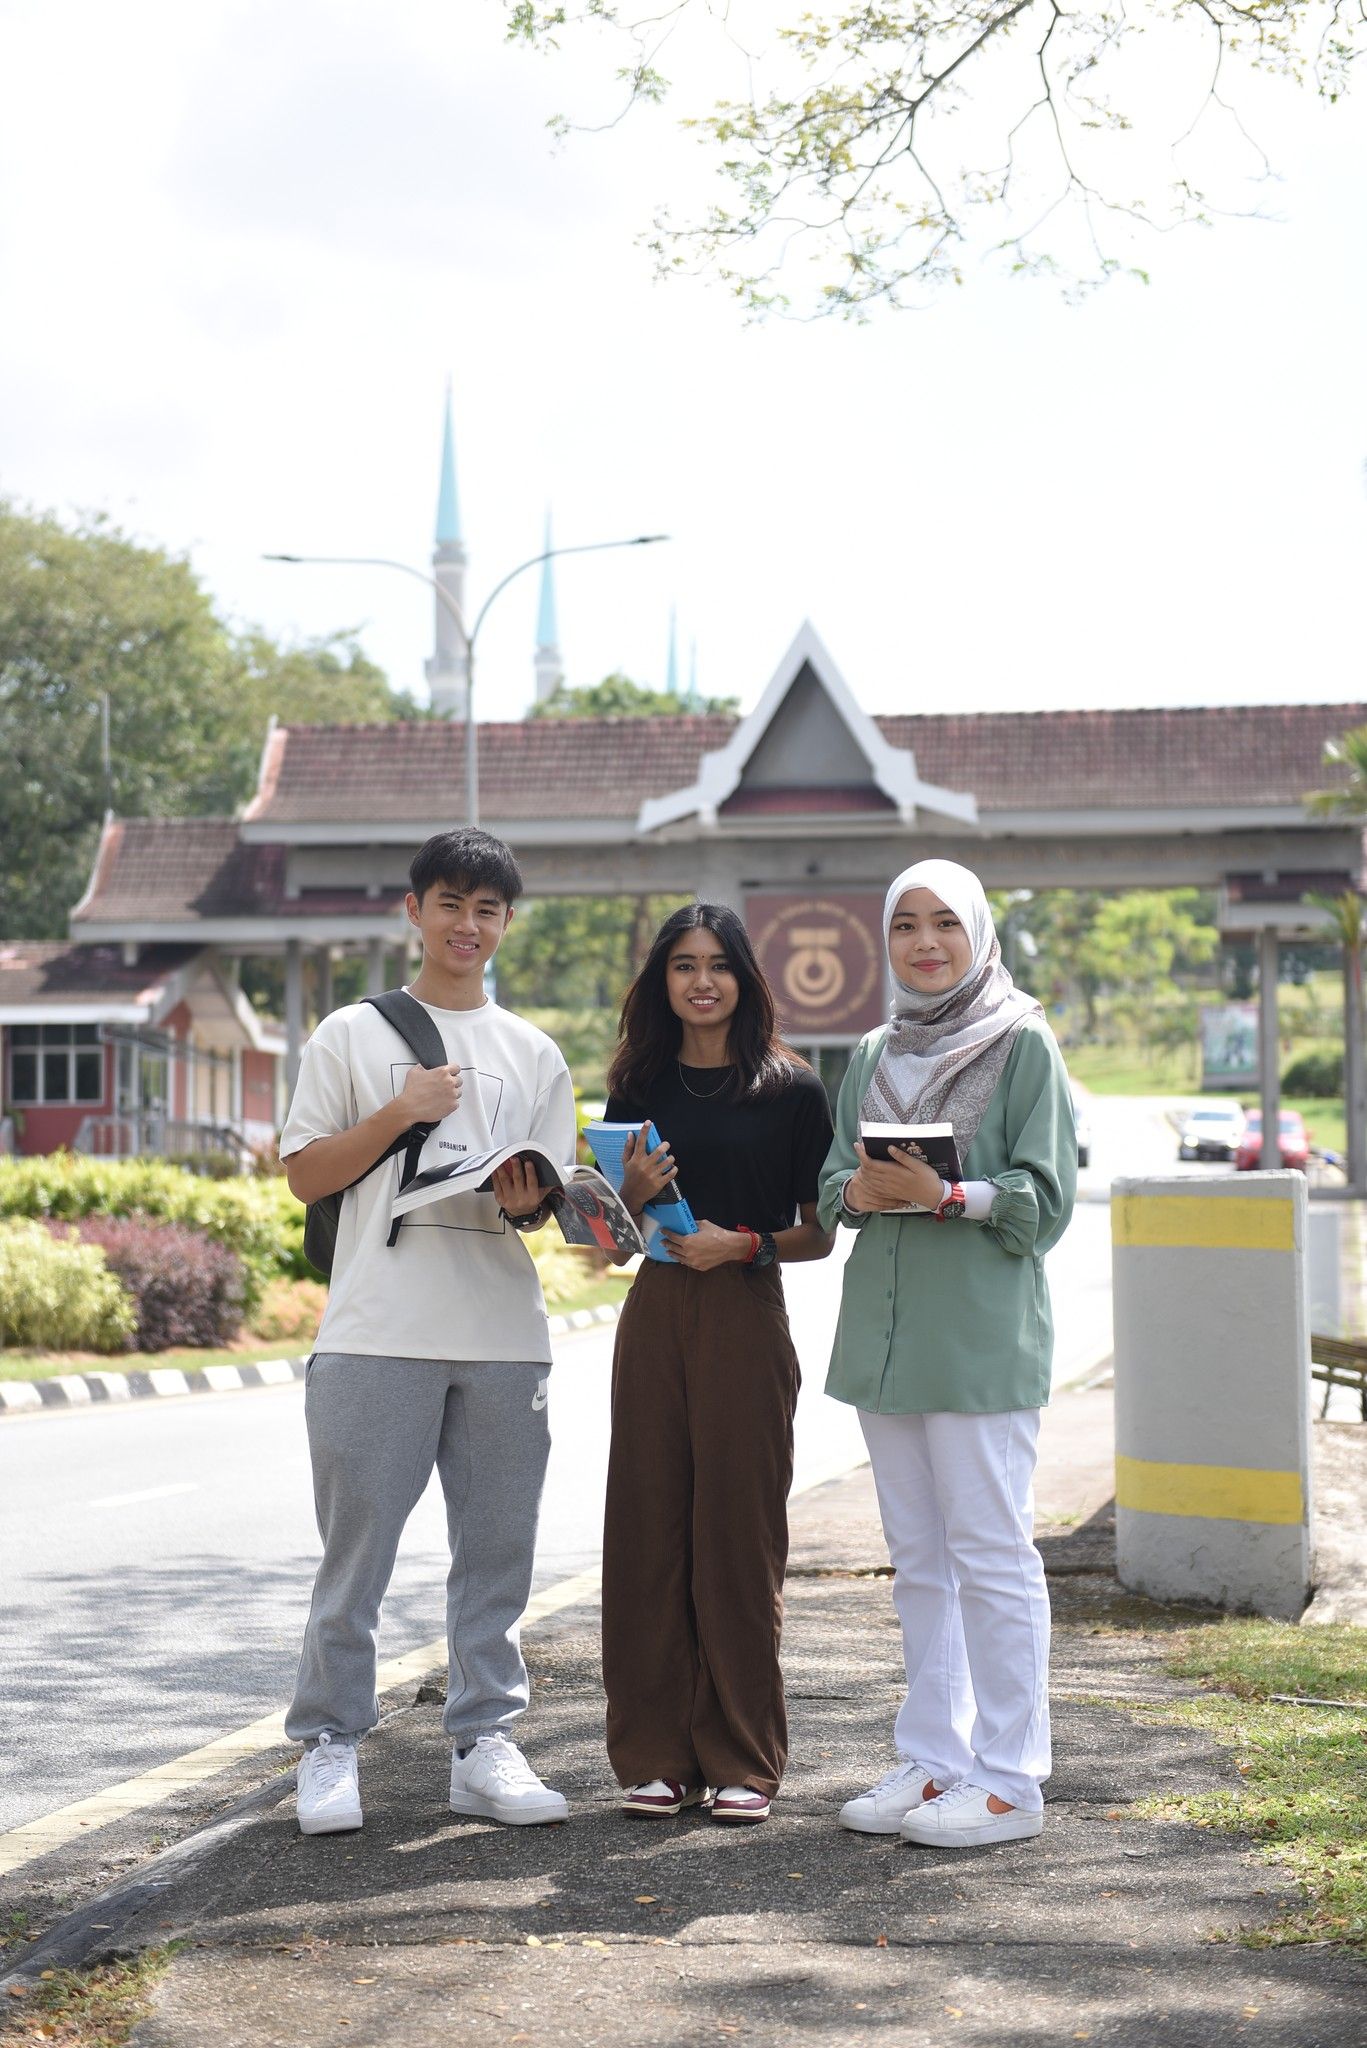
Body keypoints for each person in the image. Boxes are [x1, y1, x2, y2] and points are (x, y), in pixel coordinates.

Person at [280, 828, 574, 1836]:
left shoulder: (533, 1051)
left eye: (487, 909)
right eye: (449, 903)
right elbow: (306, 1173)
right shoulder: (351, 1035)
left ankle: (482, 1742)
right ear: (413, 910)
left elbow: (548, 1206)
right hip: (375, 1327)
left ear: (504, 923)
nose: (467, 924)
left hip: (502, 1333)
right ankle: (328, 1742)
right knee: (354, 1554)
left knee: (496, 1551)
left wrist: (532, 1196)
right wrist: (401, 1113)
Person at [819, 859, 1076, 1849]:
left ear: (976, 934)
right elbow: (831, 1175)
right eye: (905, 925)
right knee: (919, 1562)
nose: (925, 943)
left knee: (991, 1557)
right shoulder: (873, 1049)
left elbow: (1043, 1200)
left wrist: (946, 1196)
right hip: (884, 1343)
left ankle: (1009, 1780)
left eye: (944, 925)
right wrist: (856, 1192)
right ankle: (935, 1759)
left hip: (975, 1341)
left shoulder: (1022, 1045)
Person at [600, 903, 835, 1826]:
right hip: (653, 1315)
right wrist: (627, 1194)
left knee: (737, 1541)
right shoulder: (639, 1082)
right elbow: (608, 1243)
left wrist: (741, 1247)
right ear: (662, 982)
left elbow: (820, 1234)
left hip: (743, 1311)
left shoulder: (791, 1090)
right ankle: (654, 1755)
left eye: (717, 965)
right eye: (682, 966)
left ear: (744, 976)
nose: (701, 981)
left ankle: (743, 1758)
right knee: (648, 1532)